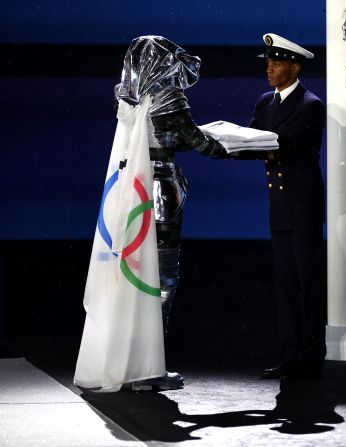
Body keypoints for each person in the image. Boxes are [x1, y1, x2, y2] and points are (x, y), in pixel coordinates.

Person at [75, 36, 227, 391]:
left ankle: (126, 362)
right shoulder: (170, 99)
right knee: (162, 280)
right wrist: (235, 142)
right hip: (160, 193)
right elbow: (201, 144)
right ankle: (148, 368)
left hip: (131, 196)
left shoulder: (129, 99)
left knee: (132, 278)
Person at [244, 33, 327, 381]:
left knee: (307, 279)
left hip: (302, 203)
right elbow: (251, 138)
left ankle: (310, 355)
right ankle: (289, 353)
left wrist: (254, 144)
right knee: (284, 280)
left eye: (276, 64)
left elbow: (288, 144)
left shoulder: (310, 105)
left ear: (294, 67)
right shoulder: (266, 102)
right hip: (279, 203)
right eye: (268, 63)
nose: (269, 69)